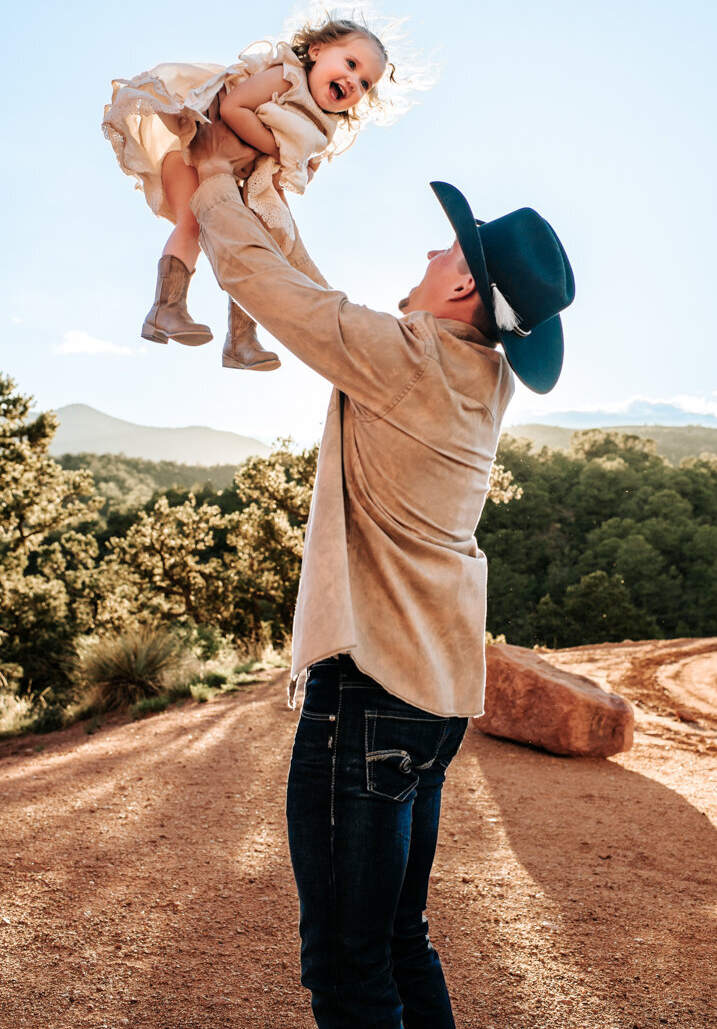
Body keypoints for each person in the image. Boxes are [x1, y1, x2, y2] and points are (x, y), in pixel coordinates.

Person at [187, 104, 575, 1029]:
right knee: (402, 943)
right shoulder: (478, 374)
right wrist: (264, 191)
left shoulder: (407, 359)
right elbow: (317, 302)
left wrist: (207, 172)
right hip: (431, 697)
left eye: (450, 250)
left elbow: (264, 286)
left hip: (366, 697)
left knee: (349, 969)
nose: (433, 251)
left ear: (463, 294)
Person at [102, 16, 391, 370]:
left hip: (234, 174)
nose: (354, 82)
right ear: (316, 51)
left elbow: (292, 160)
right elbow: (231, 108)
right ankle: (166, 309)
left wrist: (299, 168)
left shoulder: (321, 124)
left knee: (256, 248)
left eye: (365, 83)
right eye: (350, 64)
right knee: (190, 223)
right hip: (191, 141)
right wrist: (276, 149)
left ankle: (240, 340)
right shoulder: (287, 77)